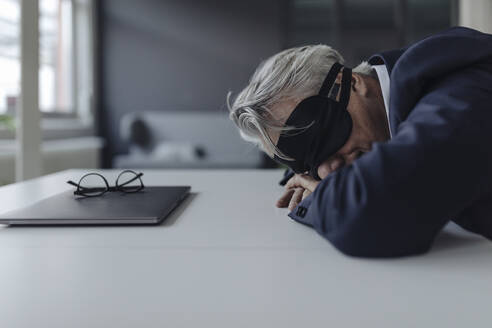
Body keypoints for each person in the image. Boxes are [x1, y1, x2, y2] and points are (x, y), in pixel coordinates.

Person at [227, 27, 492, 257]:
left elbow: (369, 210)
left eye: (322, 137)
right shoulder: (386, 114)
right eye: (308, 165)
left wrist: (323, 195)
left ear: (350, 82)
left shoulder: (463, 92)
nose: (326, 170)